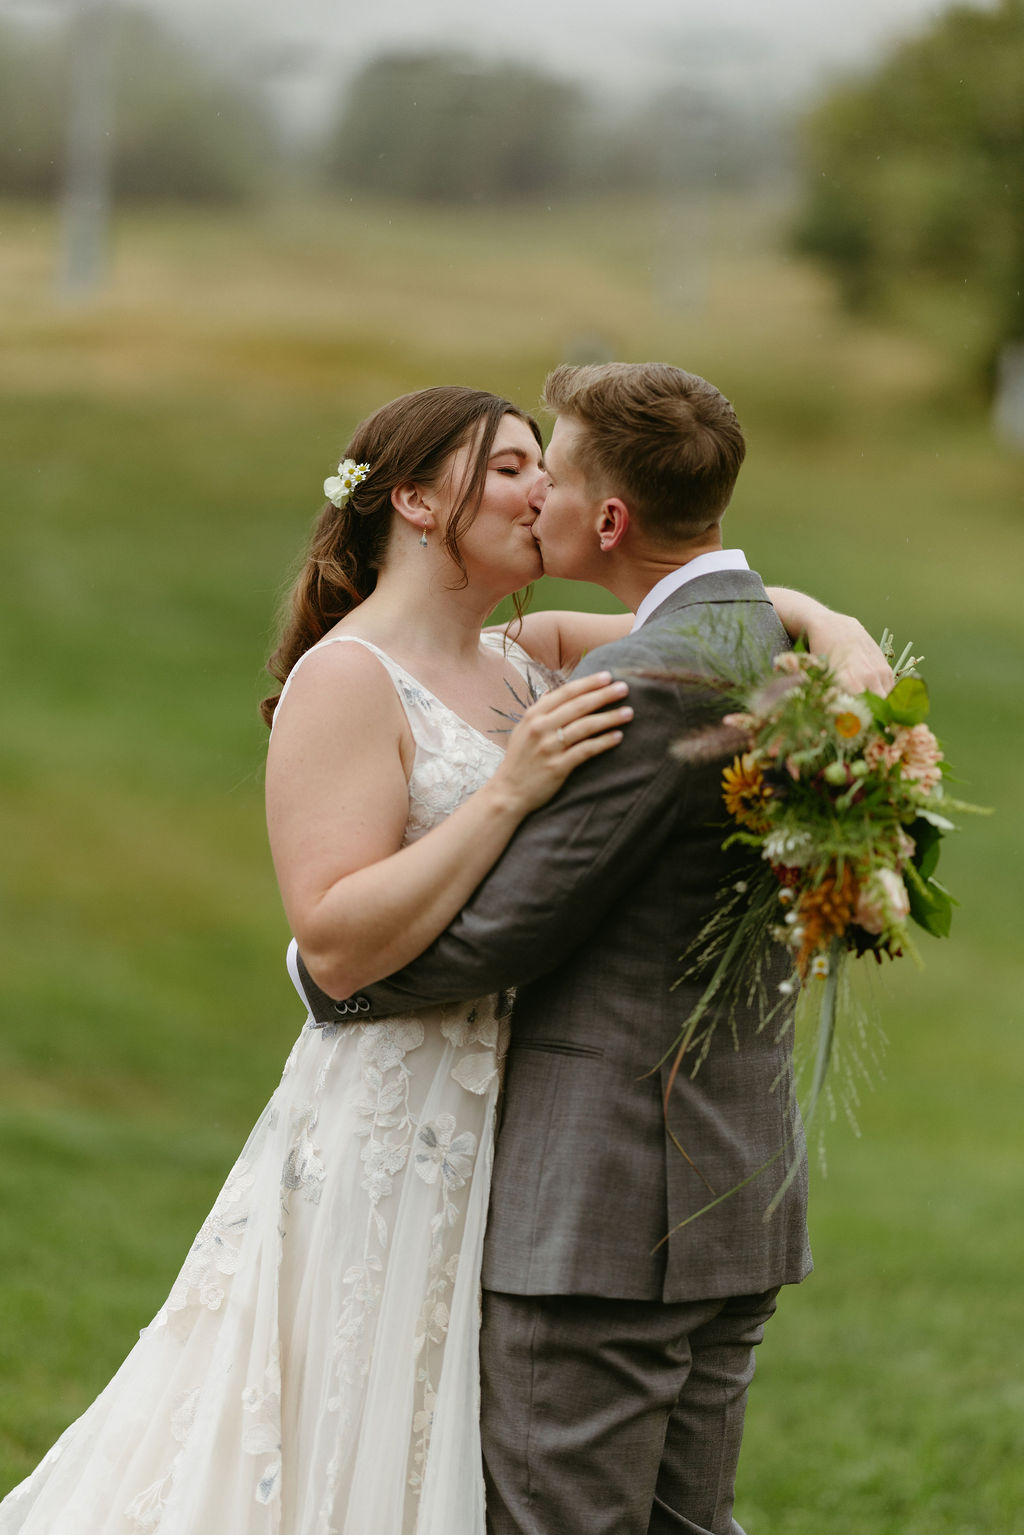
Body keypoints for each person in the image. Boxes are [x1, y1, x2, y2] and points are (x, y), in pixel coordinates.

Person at [0, 381, 884, 1535]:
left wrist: (836, 628)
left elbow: (706, 617)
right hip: (396, 1111)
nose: (541, 491)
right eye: (511, 466)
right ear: (415, 500)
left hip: (514, 1131)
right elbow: (330, 935)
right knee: (344, 1443)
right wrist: (505, 790)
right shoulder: (345, 678)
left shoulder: (522, 656)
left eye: (544, 467)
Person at [295, 363, 894, 1535]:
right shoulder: (729, 633)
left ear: (608, 519)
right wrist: (828, 618)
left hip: (606, 1220)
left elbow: (507, 928)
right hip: (722, 1187)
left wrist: (328, 973)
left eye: (546, 472)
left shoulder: (640, 681)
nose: (532, 498)